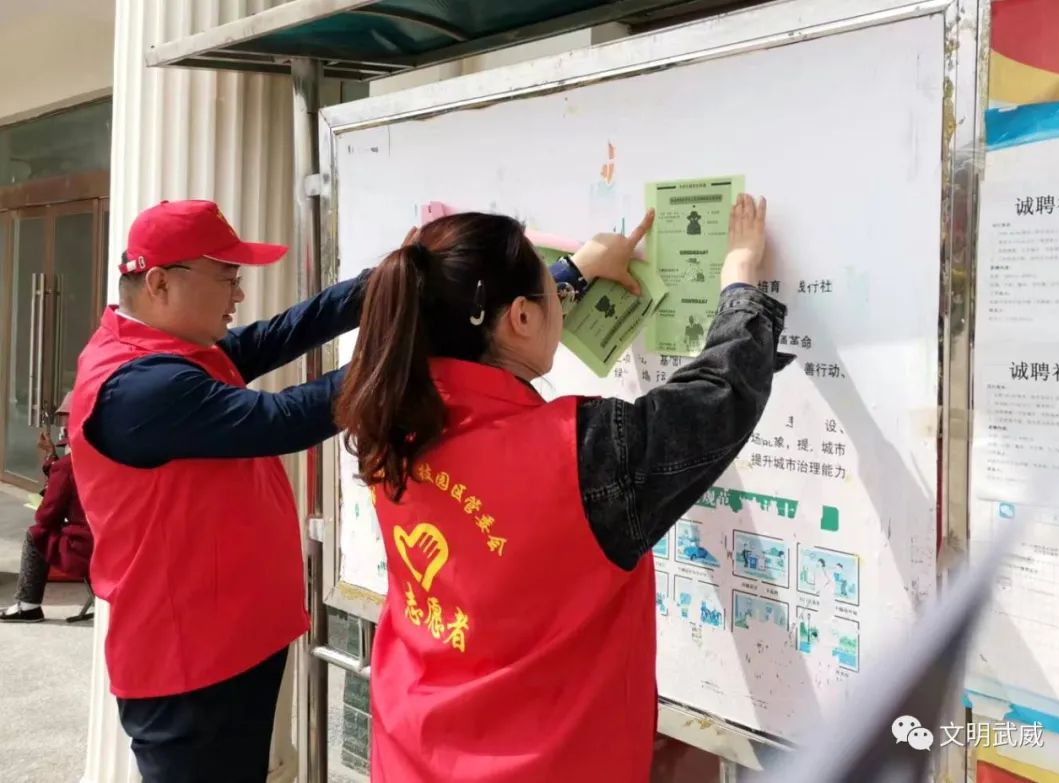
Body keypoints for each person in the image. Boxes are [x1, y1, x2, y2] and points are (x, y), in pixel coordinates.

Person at [65, 198, 630, 783]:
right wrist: (412, 342)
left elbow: (289, 330)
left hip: (227, 639)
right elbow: (285, 420)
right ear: (160, 283)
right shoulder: (136, 388)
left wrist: (392, 282)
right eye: (227, 278)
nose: (239, 294)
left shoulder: (170, 350)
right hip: (187, 664)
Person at [334, 193, 791, 782]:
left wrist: (577, 273)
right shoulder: (582, 454)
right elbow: (717, 400)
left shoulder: (387, 417)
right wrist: (740, 279)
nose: (559, 294)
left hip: (411, 751)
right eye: (550, 287)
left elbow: (486, 337)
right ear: (521, 318)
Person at [1, 393, 91, 623]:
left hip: (85, 547)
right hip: (117, 541)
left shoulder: (67, 466)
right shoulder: (112, 458)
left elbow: (46, 516)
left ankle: (28, 605)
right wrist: (52, 457)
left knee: (36, 534)